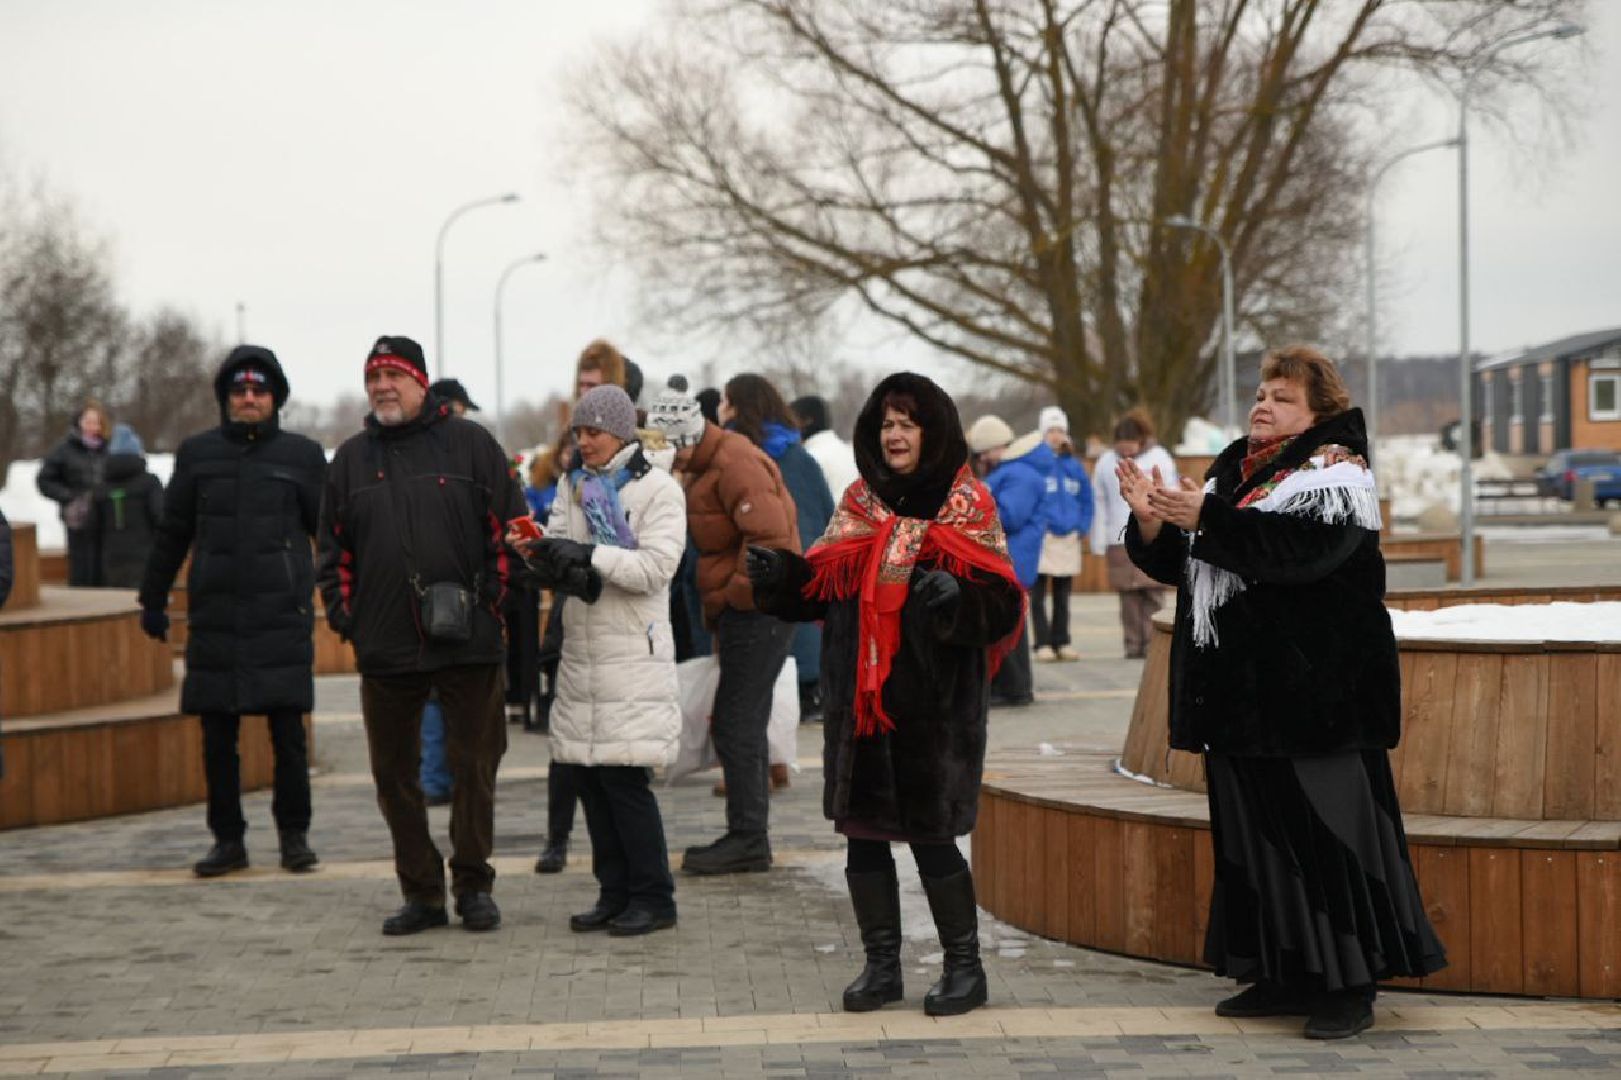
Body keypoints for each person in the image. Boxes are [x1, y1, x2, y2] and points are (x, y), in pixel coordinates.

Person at [1122, 346, 1446, 1040]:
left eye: (1282, 397)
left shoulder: (1336, 473)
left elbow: (1298, 556)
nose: (1262, 404)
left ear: (1317, 413)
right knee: (1256, 842)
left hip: (1315, 698)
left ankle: (1350, 984)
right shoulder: (1238, 475)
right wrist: (1153, 521)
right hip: (1243, 699)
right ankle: (1283, 970)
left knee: (1329, 841)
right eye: (1261, 393)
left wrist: (1205, 517)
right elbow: (1195, 564)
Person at [748, 372, 1023, 1017]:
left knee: (932, 840)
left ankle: (965, 968)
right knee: (863, 839)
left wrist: (961, 599)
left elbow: (1005, 607)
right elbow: (816, 590)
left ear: (934, 431)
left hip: (933, 715)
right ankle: (881, 966)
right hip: (861, 709)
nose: (894, 435)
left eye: (907, 422)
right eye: (885, 424)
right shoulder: (858, 504)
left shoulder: (967, 505)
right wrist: (778, 575)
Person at [317, 335, 527, 935]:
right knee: (394, 778)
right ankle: (422, 892)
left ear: (421, 382)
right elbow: (332, 550)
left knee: (475, 766)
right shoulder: (351, 460)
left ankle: (473, 883)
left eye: (395, 375)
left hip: (470, 643)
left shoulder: (470, 444)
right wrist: (347, 615)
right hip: (385, 648)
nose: (383, 386)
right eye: (374, 377)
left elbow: (508, 532)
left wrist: (490, 605)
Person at [138, 346, 326, 877]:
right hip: (217, 616)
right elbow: (173, 532)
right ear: (225, 398)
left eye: (259, 390)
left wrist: (341, 597)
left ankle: (295, 836)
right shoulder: (197, 455)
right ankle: (228, 840)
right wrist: (152, 598)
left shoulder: (302, 457)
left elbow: (331, 535)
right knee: (217, 736)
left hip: (280, 615)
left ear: (274, 398)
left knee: (288, 733)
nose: (248, 398)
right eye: (239, 390)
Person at [513, 384, 685, 936]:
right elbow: (568, 548)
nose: (583, 442)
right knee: (588, 779)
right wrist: (543, 555)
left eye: (593, 432)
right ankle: (614, 893)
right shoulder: (573, 483)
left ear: (620, 433)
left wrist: (589, 555)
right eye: (579, 432)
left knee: (623, 780)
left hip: (633, 651)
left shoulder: (659, 489)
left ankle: (654, 897)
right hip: (583, 650)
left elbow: (655, 569)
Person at [646, 378, 800, 875]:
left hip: (760, 609)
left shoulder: (734, 461)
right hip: (747, 609)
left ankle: (749, 838)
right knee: (740, 723)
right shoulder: (709, 462)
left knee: (737, 723)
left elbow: (771, 539)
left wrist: (735, 596)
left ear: (685, 439)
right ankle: (748, 834)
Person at [722, 373, 836, 737]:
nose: (720, 411)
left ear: (739, 407)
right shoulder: (801, 456)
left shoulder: (738, 457)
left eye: (726, 402)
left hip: (765, 584)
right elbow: (827, 513)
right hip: (808, 577)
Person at [965, 415, 1045, 708]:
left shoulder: (1018, 474)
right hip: (1012, 558)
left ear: (999, 446)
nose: (983, 458)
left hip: (1011, 560)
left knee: (1008, 626)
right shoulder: (1018, 471)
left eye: (985, 451)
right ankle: (1012, 686)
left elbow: (1010, 516)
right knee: (1009, 624)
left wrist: (979, 506)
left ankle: (1014, 688)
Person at [1090, 409, 1177, 658]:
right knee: (1128, 595)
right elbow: (1100, 500)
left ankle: (1154, 643)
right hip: (1118, 538)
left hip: (1152, 532)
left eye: (1131, 445)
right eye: (1122, 445)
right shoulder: (1106, 462)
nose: (1126, 451)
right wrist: (1099, 538)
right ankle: (1133, 644)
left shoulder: (1159, 457)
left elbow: (1169, 492)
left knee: (1152, 592)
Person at [1029, 407, 1093, 663]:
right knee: (1038, 593)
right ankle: (1042, 643)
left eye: (1060, 431)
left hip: (1068, 537)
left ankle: (1062, 641)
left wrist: (1082, 526)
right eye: (1051, 431)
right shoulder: (1035, 464)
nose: (1056, 436)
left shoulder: (1074, 467)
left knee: (1063, 595)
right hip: (1043, 536)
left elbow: (1086, 499)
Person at [37, 401, 112, 586]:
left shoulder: (109, 449)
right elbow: (45, 480)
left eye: (96, 422)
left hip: (106, 514)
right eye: (88, 421)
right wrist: (69, 497)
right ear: (78, 423)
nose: (92, 426)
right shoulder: (64, 450)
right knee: (81, 564)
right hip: (78, 516)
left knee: (104, 563)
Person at [93, 424, 164, 589]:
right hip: (144, 557)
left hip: (110, 559)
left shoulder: (101, 488)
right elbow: (161, 517)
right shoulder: (149, 483)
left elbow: (92, 527)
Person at [791, 394, 859, 502]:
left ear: (807, 421)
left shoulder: (811, 458)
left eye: (792, 420)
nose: (790, 426)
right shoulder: (845, 451)